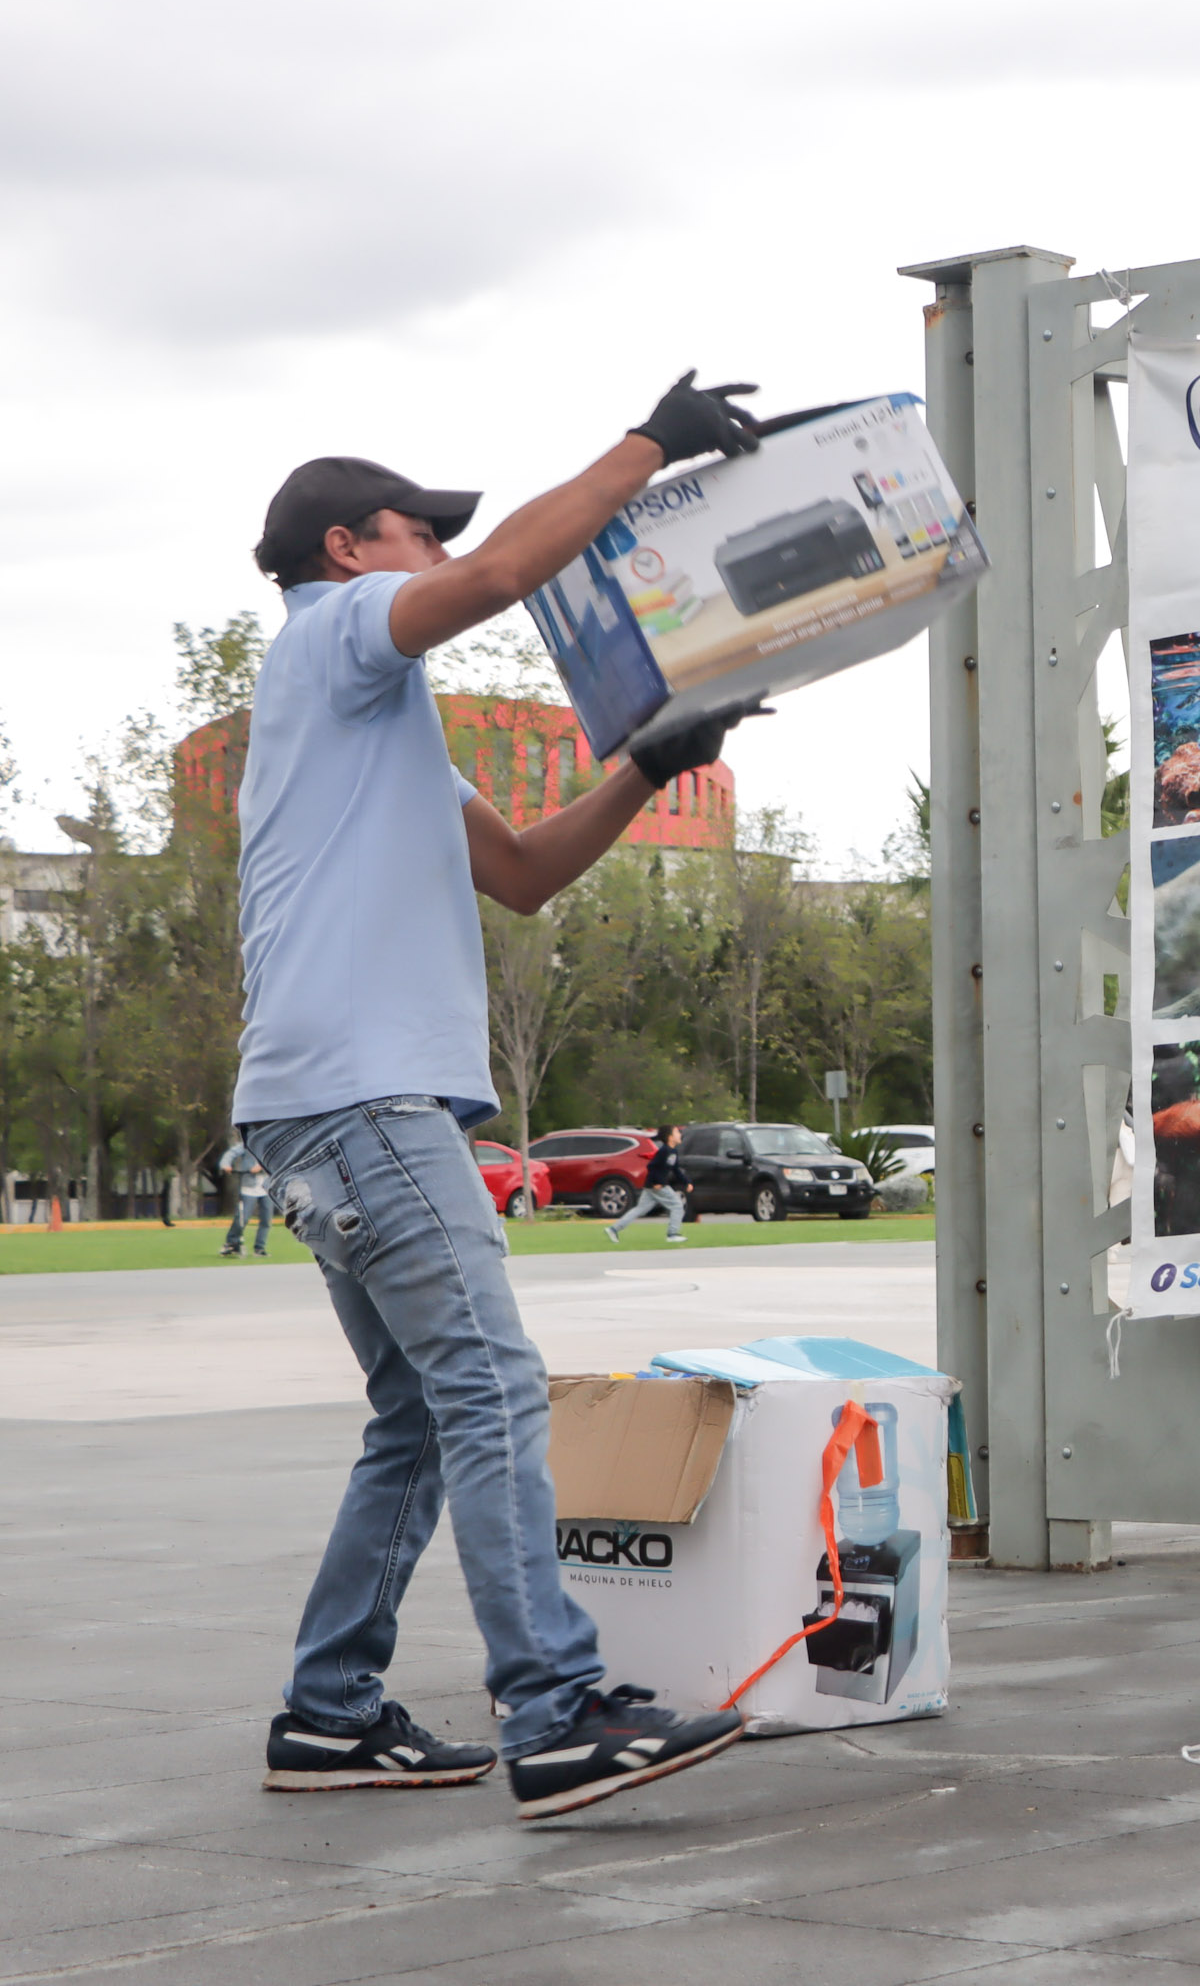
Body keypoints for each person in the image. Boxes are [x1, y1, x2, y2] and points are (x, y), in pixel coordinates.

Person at [239, 375, 770, 1822]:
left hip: (318, 1110)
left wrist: (645, 768)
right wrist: (651, 446)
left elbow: (524, 875)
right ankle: (558, 1709)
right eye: (415, 532)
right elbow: (501, 575)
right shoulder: (339, 635)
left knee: (417, 1416)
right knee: (485, 1389)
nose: (434, 554)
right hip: (363, 1100)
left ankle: (331, 1712)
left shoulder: (374, 726)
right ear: (351, 548)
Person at [607, 1125, 692, 1243]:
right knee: (677, 1206)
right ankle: (672, 1235)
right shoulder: (664, 1151)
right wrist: (656, 1182)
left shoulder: (673, 1151)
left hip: (653, 1186)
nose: (680, 1134)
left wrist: (686, 1182)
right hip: (657, 1186)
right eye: (677, 1132)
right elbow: (651, 1166)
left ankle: (613, 1229)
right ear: (670, 1137)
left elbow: (676, 1170)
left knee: (640, 1209)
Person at [219, 1133, 270, 1257]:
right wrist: (225, 1164)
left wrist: (261, 1166)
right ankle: (231, 1243)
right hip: (249, 1186)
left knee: (266, 1220)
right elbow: (231, 1153)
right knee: (242, 1218)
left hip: (267, 1187)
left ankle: (260, 1248)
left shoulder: (271, 1145)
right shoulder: (248, 1144)